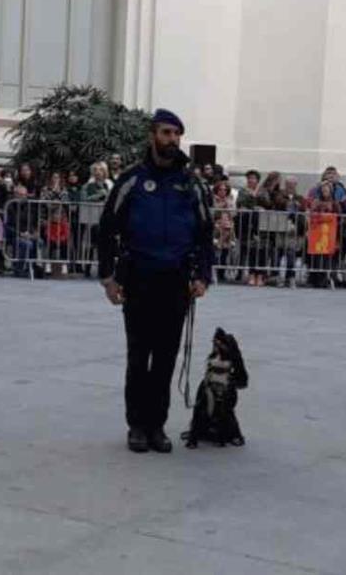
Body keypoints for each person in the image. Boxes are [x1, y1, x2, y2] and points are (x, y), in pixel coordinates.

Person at [98, 109, 213, 454]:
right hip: (138, 279)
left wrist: (203, 275)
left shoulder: (191, 183)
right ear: (153, 135)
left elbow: (206, 233)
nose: (172, 140)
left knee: (165, 357)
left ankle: (157, 426)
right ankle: (136, 426)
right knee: (139, 356)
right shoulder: (131, 179)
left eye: (177, 134)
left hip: (176, 282)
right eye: (166, 132)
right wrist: (108, 278)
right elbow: (106, 228)